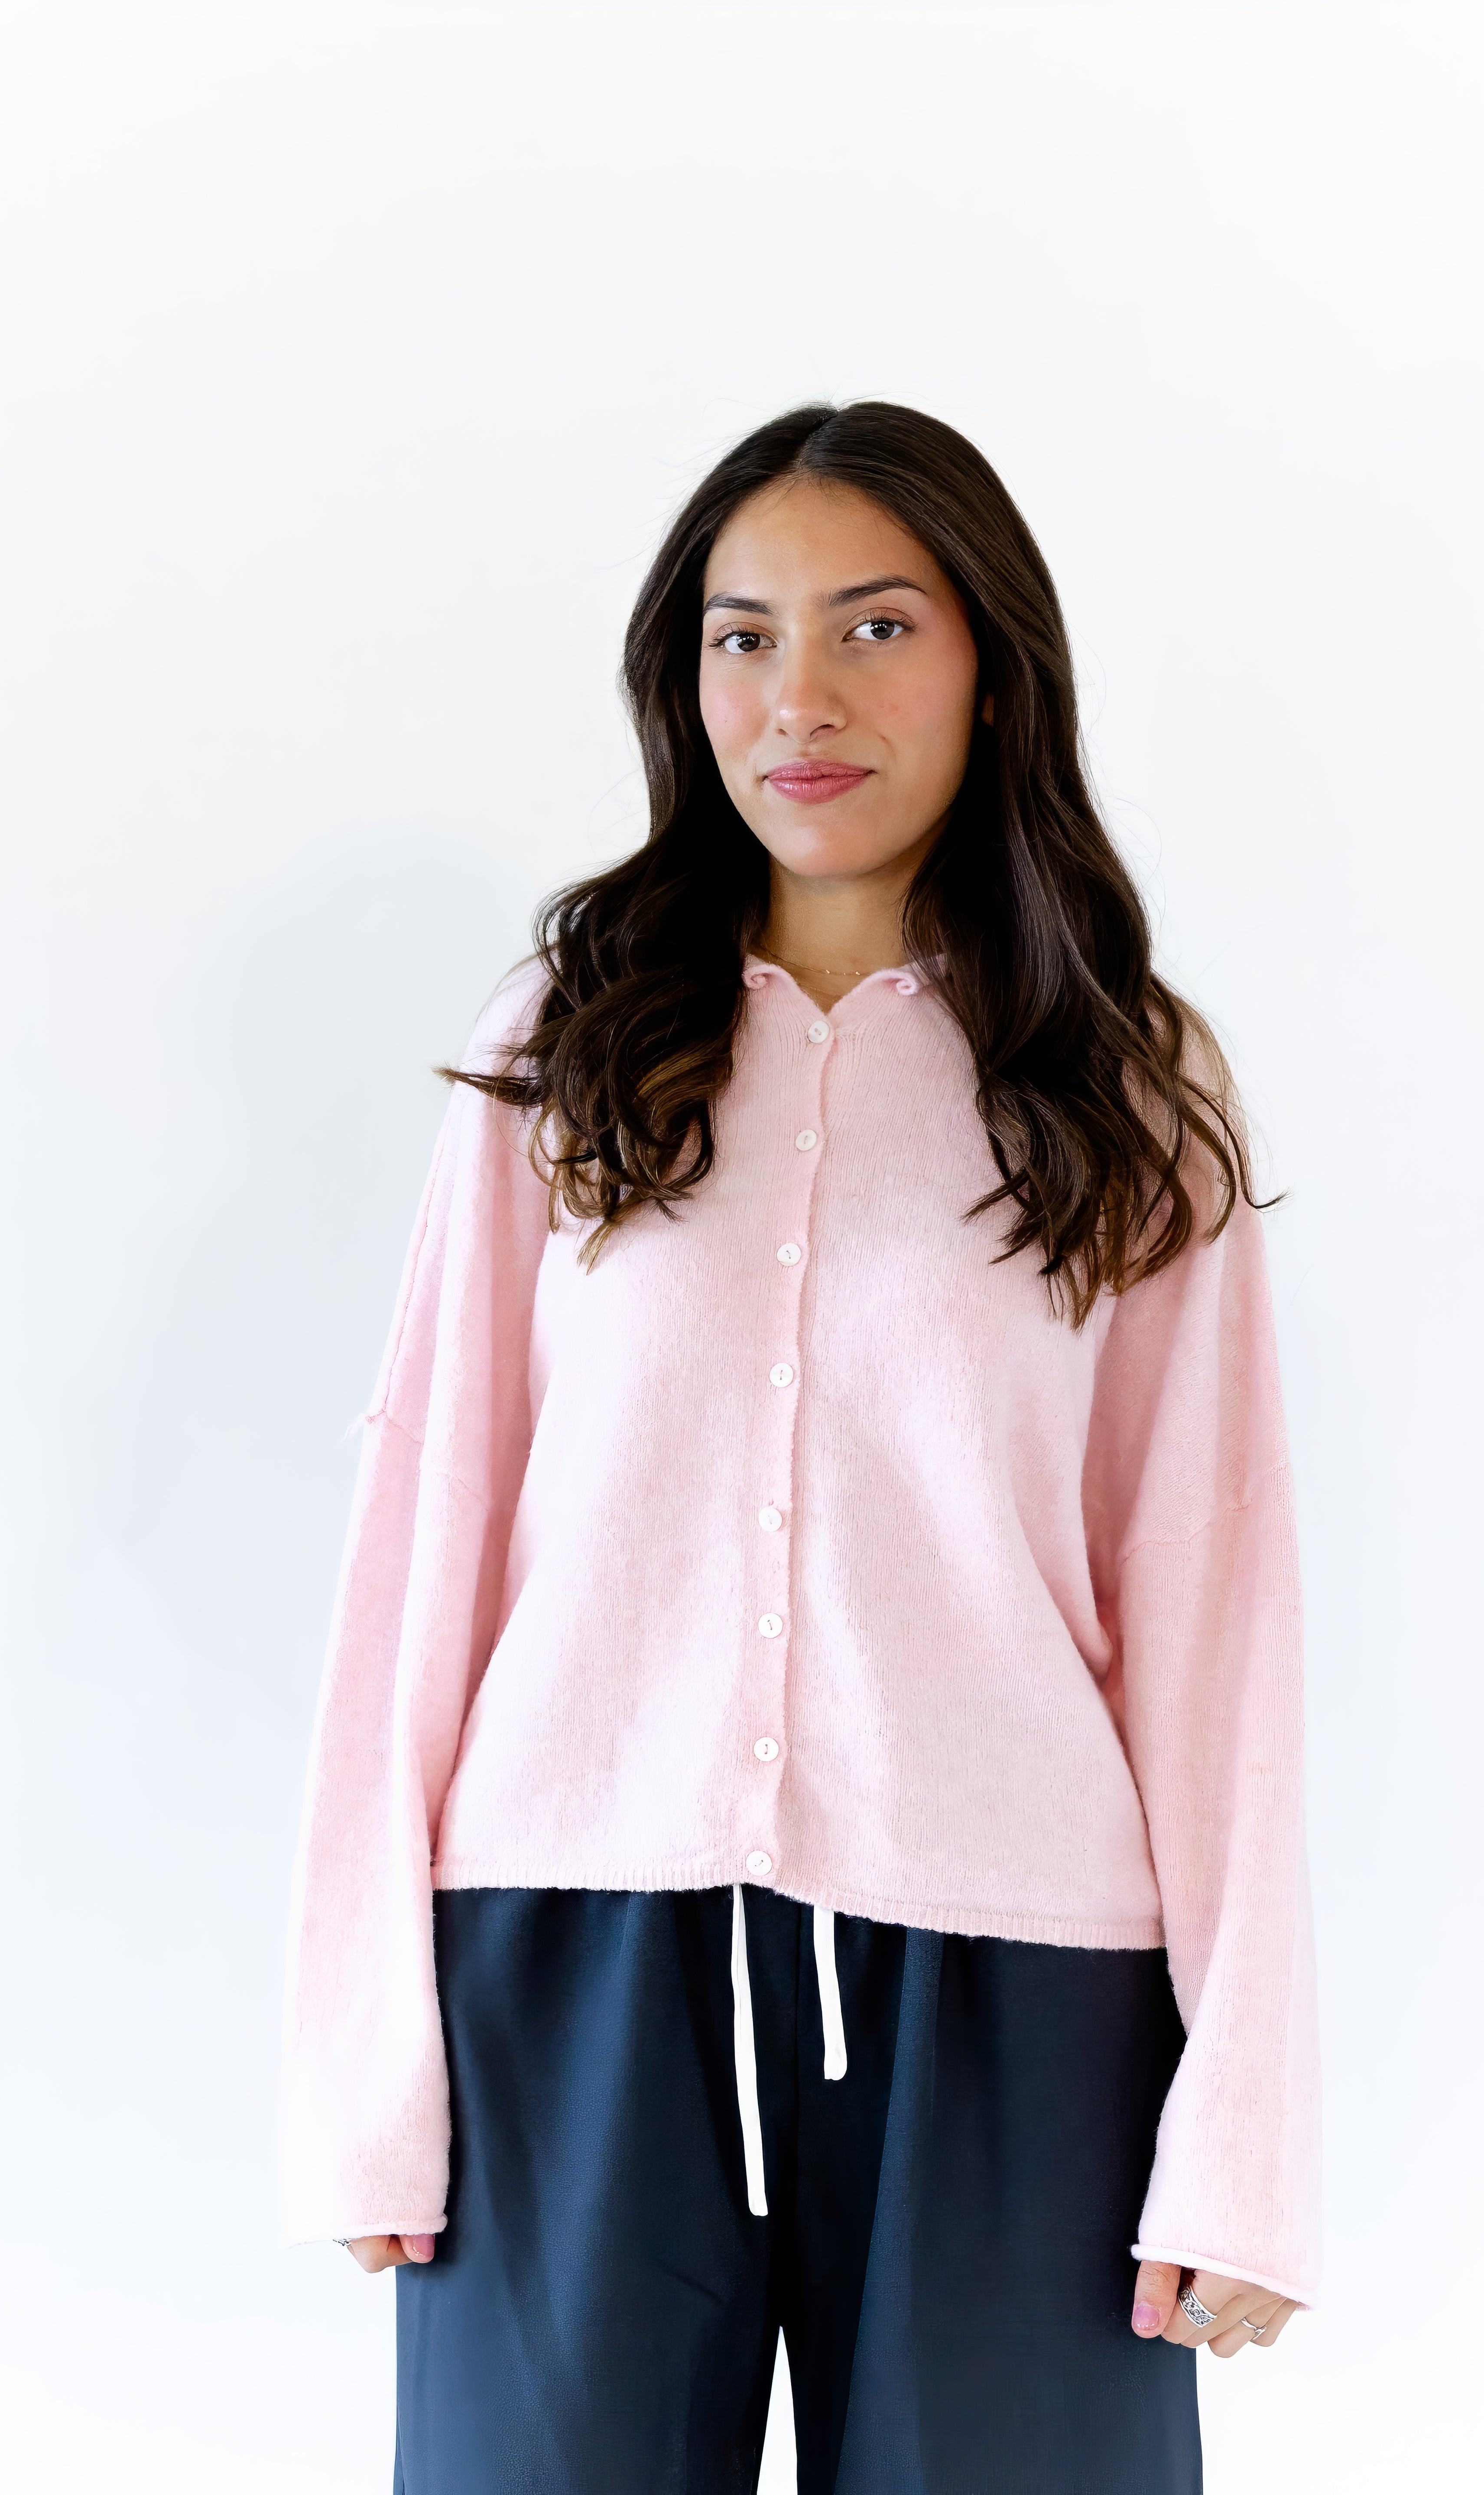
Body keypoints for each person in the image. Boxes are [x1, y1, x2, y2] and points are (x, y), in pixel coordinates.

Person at [279, 401, 1320, 2495]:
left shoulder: (1122, 1083)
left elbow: (1212, 1610)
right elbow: (424, 1535)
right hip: (571, 1961)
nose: (799, 696)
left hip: (1015, 1986)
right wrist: (363, 2053)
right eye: (741, 638)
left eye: (872, 626)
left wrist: (1247, 2135)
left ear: (991, 667)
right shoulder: (562, 1046)